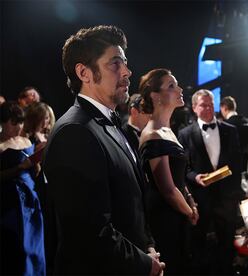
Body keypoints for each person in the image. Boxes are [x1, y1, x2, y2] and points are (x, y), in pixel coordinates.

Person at [42, 25, 164, 275]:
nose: (128, 72)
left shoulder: (108, 122)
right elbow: (89, 234)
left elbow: (133, 204)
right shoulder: (74, 132)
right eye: (115, 64)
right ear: (84, 72)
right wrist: (145, 264)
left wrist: (148, 246)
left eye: (126, 63)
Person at [138, 68, 199, 274]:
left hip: (178, 210)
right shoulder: (153, 133)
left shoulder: (168, 130)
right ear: (155, 96)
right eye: (171, 86)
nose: (180, 88)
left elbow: (179, 178)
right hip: (165, 217)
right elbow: (167, 189)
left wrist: (190, 200)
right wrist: (190, 211)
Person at [178, 89, 243, 275]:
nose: (208, 108)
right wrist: (195, 177)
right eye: (203, 105)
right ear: (194, 107)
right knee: (198, 245)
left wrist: (235, 196)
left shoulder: (230, 131)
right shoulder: (185, 134)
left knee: (226, 246)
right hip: (200, 198)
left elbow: (237, 165)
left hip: (226, 200)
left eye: (211, 104)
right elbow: (184, 169)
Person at [0, 101, 46, 275]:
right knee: (18, 248)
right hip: (9, 203)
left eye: (20, 122)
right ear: (3, 123)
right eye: (14, 123)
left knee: (35, 246)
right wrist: (19, 168)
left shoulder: (25, 140)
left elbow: (35, 172)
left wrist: (36, 164)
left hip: (30, 199)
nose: (19, 127)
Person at [220, 96, 248, 173]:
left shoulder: (225, 125)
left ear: (224, 108)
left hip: (230, 168)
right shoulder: (247, 121)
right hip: (246, 166)